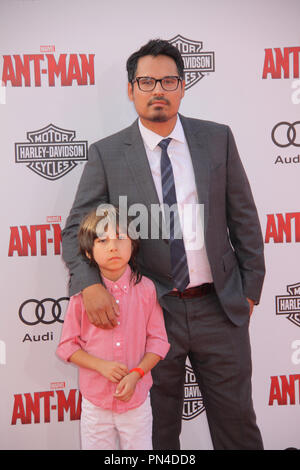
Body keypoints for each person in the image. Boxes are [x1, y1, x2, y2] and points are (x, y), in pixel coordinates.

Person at [61, 39, 265, 450]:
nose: (159, 89)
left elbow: (244, 218)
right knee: (155, 434)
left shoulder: (217, 139)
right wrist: (90, 285)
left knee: (237, 426)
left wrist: (249, 292)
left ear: (183, 86)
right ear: (131, 88)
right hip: (150, 313)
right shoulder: (107, 154)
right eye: (147, 81)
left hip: (220, 308)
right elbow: (74, 231)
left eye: (168, 80)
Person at [57, 206, 170, 450]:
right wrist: (101, 367)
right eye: (102, 240)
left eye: (121, 238)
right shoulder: (82, 297)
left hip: (136, 400)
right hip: (95, 403)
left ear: (133, 244)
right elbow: (67, 346)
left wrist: (136, 374)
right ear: (88, 252)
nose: (113, 247)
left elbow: (159, 342)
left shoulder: (147, 290)